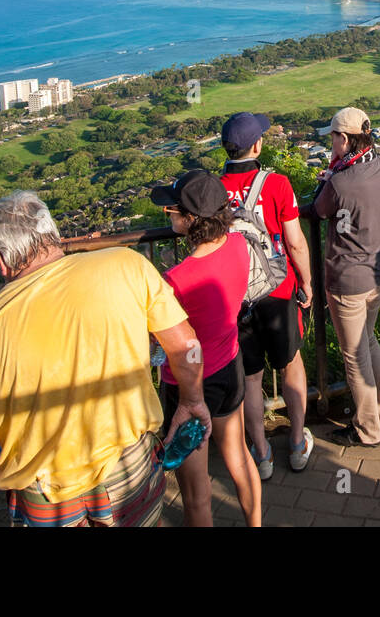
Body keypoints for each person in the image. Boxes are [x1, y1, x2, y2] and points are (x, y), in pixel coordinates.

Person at [0, 191, 209, 527]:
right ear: (51, 232)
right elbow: (187, 346)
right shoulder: (126, 264)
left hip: (45, 490)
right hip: (128, 464)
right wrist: (192, 402)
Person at [151, 169, 262, 526]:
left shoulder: (176, 280)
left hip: (187, 385)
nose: (168, 215)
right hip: (229, 366)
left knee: (196, 495)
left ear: (191, 219)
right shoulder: (239, 245)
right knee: (240, 458)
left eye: (172, 211)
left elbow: (161, 337)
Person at [219, 112, 315, 476]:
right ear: (256, 145)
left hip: (235, 297)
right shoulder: (276, 184)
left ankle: (261, 455)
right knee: (291, 364)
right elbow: (295, 240)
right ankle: (296, 443)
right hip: (277, 290)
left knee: (252, 377)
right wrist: (306, 281)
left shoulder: (214, 190)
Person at [312, 108, 380, 447]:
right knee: (369, 342)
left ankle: (367, 429)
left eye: (333, 137)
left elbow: (321, 209)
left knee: (354, 355)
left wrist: (331, 178)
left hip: (348, 280)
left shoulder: (339, 181)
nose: (330, 142)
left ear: (345, 138)